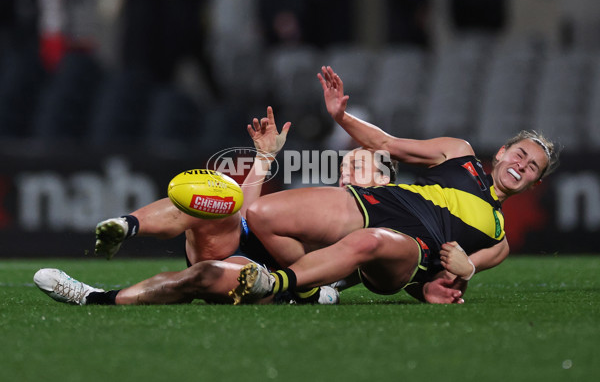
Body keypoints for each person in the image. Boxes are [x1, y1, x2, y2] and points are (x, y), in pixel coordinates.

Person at [230, 66, 560, 305]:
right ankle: (307, 290)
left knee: (367, 241)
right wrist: (342, 118)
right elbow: (389, 143)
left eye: (532, 167)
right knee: (259, 213)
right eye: (519, 155)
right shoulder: (460, 153)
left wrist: (467, 270)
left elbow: (454, 276)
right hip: (386, 204)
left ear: (534, 183)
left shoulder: (499, 238)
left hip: (412, 245)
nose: (521, 166)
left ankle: (277, 282)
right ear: (502, 153)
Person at [33, 108, 401, 305]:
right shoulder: (327, 202)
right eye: (344, 166)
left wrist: (459, 267)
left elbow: (391, 267)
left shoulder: (386, 224)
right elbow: (254, 217)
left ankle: (96, 298)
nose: (344, 174)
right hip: (252, 246)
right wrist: (263, 159)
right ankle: (126, 225)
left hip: (274, 281)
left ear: (385, 180)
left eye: (356, 166)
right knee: (218, 195)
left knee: (204, 275)